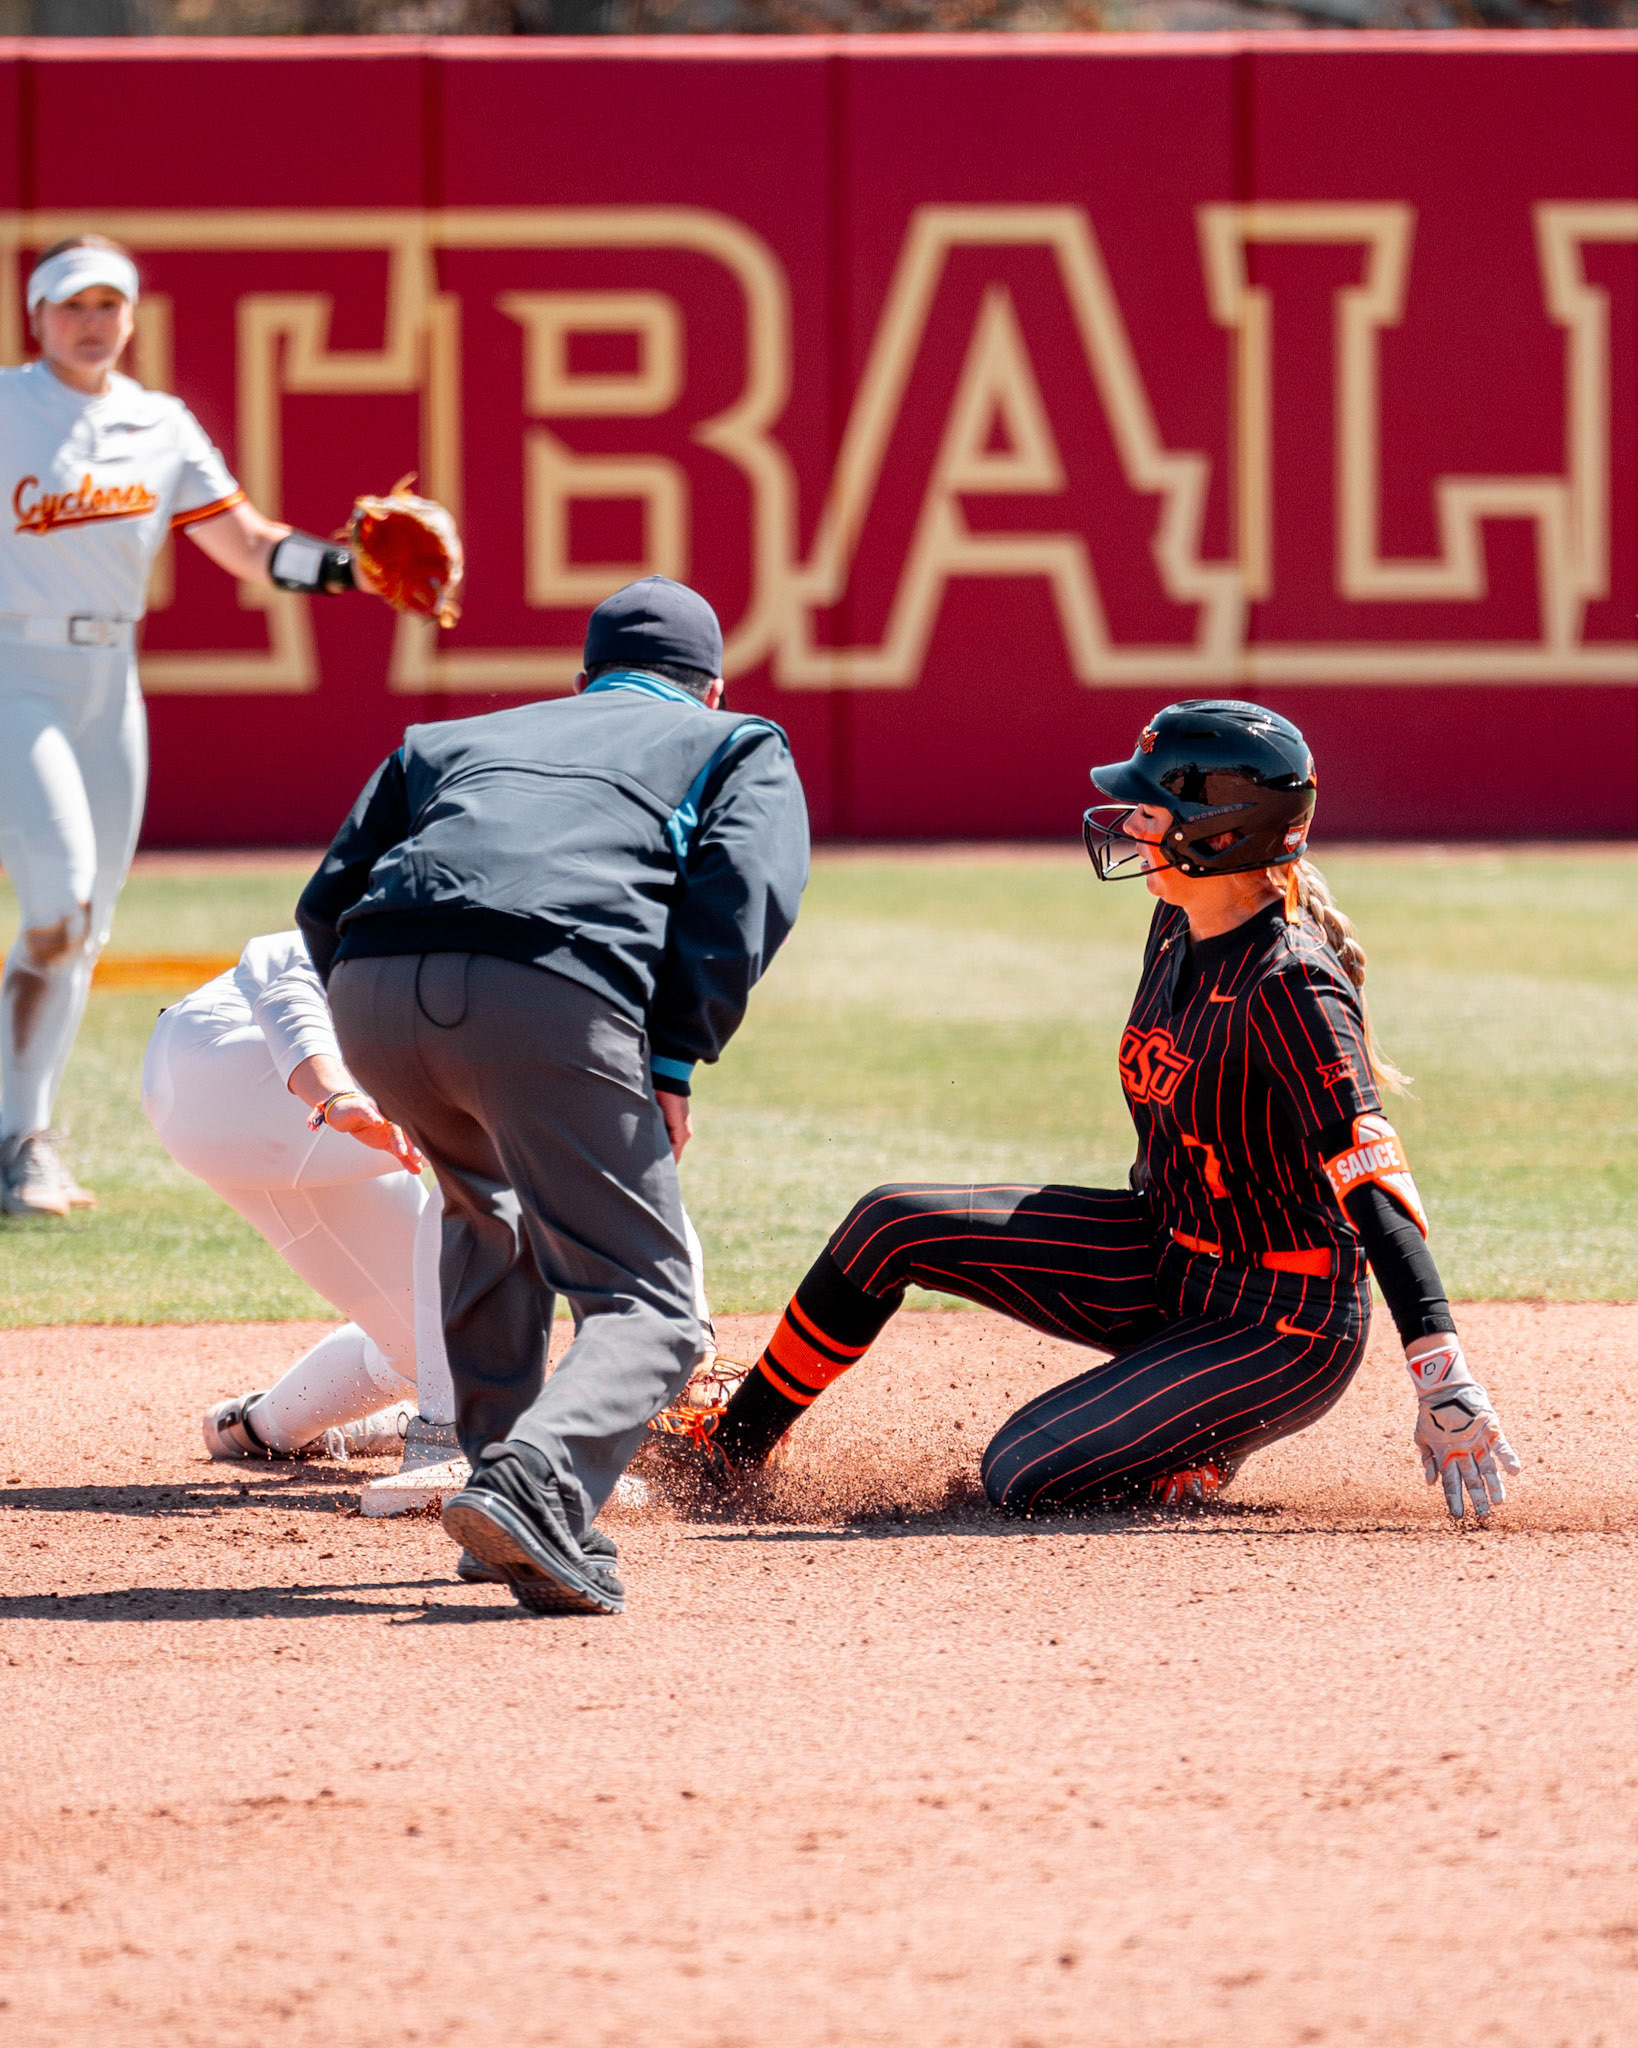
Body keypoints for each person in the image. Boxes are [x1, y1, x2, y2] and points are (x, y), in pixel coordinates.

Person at [703, 699, 1521, 1524]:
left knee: (1021, 1470)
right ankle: (729, 1453)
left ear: (1220, 832)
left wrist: (1440, 1372)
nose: (1125, 823)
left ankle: (1196, 1448)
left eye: (1147, 807)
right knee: (890, 1223)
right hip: (1166, 1250)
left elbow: (1374, 1184)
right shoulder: (1175, 926)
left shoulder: (1293, 985)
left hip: (1278, 1325)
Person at [296, 574, 810, 1615]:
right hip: (548, 991)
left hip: (371, 987)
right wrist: (671, 1059)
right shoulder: (737, 740)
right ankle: (536, 1484)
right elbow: (743, 895)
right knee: (654, 1303)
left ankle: (508, 1506)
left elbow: (327, 902)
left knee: (492, 1220)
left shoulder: (442, 740)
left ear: (581, 680)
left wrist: (391, 1036)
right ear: (712, 688)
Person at [0, 234, 416, 1219]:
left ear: (132, 314)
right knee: (56, 907)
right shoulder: (9, 406)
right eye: (72, 304)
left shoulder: (159, 424)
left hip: (110, 679)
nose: (92, 322)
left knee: (85, 923)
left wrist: (350, 568)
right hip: (18, 670)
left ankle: (26, 1135)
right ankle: (20, 1141)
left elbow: (251, 543)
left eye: (109, 304)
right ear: (37, 314)